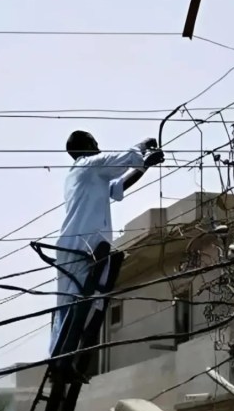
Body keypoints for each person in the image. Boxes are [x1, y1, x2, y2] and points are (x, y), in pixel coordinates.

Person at [50, 130, 164, 355]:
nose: (98, 146)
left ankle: (72, 353)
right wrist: (143, 145)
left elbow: (118, 187)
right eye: (94, 143)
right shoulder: (89, 165)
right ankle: (60, 355)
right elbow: (122, 158)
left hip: (86, 244)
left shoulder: (88, 175)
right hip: (79, 243)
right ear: (86, 146)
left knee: (88, 298)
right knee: (74, 301)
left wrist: (144, 166)